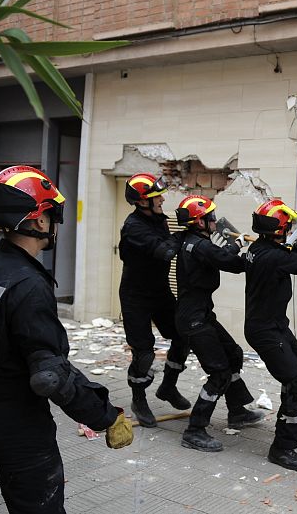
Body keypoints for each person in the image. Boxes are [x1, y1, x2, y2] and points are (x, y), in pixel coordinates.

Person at [0, 165, 133, 514]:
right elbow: (49, 375)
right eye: (50, 214)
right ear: (37, 221)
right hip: (17, 428)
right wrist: (105, 416)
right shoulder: (29, 285)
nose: (54, 223)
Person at [171, 194, 263, 452]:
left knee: (233, 354)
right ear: (199, 223)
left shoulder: (194, 241)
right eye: (210, 217)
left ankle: (237, 411)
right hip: (193, 320)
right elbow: (233, 264)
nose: (214, 221)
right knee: (219, 372)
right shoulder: (200, 246)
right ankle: (195, 430)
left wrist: (232, 245)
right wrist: (243, 248)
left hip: (200, 314)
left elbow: (219, 256)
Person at [243, 199, 297, 470]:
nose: (289, 229)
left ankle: (294, 418)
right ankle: (282, 448)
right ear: (278, 228)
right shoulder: (274, 256)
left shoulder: (259, 248)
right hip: (264, 330)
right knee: (295, 381)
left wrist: (291, 246)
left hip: (274, 324)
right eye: (287, 226)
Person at [118, 172, 191, 427]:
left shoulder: (157, 219)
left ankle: (168, 387)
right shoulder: (134, 227)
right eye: (155, 196)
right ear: (141, 202)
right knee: (144, 353)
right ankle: (139, 399)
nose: (161, 199)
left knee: (184, 334)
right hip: (135, 297)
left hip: (159, 292)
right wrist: (186, 230)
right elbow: (165, 251)